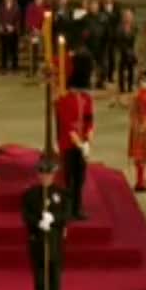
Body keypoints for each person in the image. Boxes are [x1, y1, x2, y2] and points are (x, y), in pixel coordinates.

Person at [21, 156, 68, 290]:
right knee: (40, 271)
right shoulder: (30, 195)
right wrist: (38, 223)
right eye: (42, 174)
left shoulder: (61, 194)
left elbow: (66, 214)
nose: (45, 178)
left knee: (54, 270)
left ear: (53, 176)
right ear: (38, 175)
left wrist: (54, 219)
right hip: (37, 238)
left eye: (48, 175)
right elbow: (26, 215)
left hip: (54, 238)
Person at [55, 50, 94, 220]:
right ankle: (68, 208)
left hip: (82, 144)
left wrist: (88, 139)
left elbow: (89, 120)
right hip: (69, 144)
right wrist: (80, 143)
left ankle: (77, 207)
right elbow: (68, 125)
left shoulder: (87, 99)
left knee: (80, 178)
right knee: (68, 178)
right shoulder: (64, 100)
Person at [113, 9, 138, 94]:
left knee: (131, 70)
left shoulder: (134, 27)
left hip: (131, 51)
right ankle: (122, 87)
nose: (128, 18)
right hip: (122, 51)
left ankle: (130, 87)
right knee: (121, 70)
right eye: (127, 16)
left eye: (130, 16)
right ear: (124, 17)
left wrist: (132, 51)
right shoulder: (119, 27)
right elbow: (118, 40)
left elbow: (135, 39)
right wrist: (124, 50)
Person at [0, 0, 20, 72]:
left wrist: (13, 27)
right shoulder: (1, 6)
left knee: (14, 50)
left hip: (13, 32)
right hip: (4, 32)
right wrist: (2, 26)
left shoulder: (16, 6)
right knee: (4, 50)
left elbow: (18, 19)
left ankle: (15, 67)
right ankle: (4, 67)